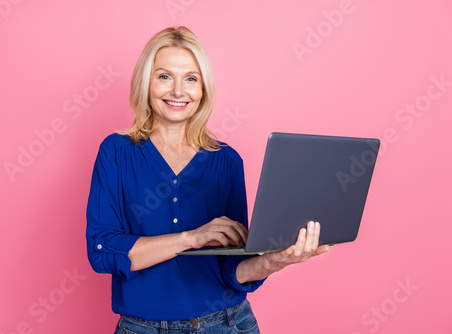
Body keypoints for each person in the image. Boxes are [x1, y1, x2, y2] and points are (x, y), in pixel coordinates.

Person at [86, 26, 330, 334]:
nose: (178, 91)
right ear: (145, 83)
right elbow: (102, 251)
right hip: (141, 327)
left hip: (227, 323)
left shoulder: (226, 161)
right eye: (164, 77)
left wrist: (275, 260)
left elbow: (231, 268)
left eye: (191, 78)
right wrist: (191, 238)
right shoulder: (116, 152)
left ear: (203, 89)